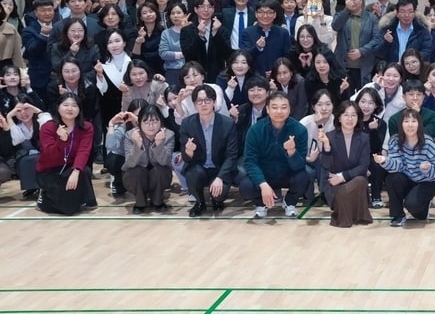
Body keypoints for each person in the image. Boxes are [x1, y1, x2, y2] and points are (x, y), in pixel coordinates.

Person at [241, 92, 309, 219]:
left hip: (287, 174)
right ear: (267, 109)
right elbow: (250, 161)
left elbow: (299, 165)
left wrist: (292, 152)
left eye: (284, 107)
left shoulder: (300, 130)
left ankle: (290, 202)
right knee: (246, 187)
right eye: (274, 107)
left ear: (289, 109)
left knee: (304, 177)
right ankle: (261, 203)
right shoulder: (255, 130)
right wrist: (262, 184)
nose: (279, 111)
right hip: (265, 174)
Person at [178, 84, 238, 217]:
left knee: (218, 197)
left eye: (207, 100)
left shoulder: (227, 124)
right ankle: (200, 202)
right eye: (199, 101)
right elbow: (186, 158)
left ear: (214, 102)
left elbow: (231, 155)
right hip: (199, 166)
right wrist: (189, 151)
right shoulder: (187, 124)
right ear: (194, 104)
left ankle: (216, 200)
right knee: (192, 174)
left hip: (219, 168)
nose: (203, 104)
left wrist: (220, 177)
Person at [375, 108, 435, 226]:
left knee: (415, 209)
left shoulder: (428, 142)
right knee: (392, 178)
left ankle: (423, 205)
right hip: (406, 178)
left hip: (427, 181)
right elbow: (397, 166)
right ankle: (398, 216)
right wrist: (384, 161)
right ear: (401, 124)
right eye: (406, 121)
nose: (410, 125)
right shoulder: (394, 140)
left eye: (413, 121)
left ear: (419, 124)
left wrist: (427, 169)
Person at [35, 93, 95, 215]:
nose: (70, 109)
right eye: (66, 105)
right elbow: (49, 156)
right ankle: (44, 197)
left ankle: (83, 199)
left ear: (79, 109)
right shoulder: (48, 127)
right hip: (50, 170)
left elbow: (84, 151)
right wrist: (61, 141)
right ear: (58, 107)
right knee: (67, 210)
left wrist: (76, 170)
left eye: (74, 105)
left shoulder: (86, 127)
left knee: (85, 171)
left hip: (70, 167)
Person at [317, 99, 372, 228]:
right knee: (345, 187)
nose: (349, 118)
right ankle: (345, 213)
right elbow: (326, 165)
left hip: (352, 181)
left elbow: (363, 166)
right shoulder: (329, 136)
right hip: (334, 183)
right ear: (339, 118)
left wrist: (342, 177)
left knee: (360, 180)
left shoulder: (364, 138)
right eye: (346, 115)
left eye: (353, 115)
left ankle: (343, 211)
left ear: (358, 118)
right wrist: (326, 146)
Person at [121, 105, 173, 213]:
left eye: (154, 121)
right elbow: (129, 164)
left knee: (160, 170)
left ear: (161, 122)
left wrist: (158, 146)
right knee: (135, 171)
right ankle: (140, 202)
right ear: (139, 123)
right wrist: (138, 146)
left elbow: (165, 162)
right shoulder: (130, 135)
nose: (151, 126)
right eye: (146, 122)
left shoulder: (168, 135)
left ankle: (157, 201)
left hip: (159, 174)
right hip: (137, 175)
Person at [332, 0, 381, 89]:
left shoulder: (371, 18)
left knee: (362, 97)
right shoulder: (341, 15)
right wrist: (346, 10)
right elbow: (335, 26)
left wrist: (361, 51)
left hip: (364, 66)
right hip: (343, 66)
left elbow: (377, 39)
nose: (351, 2)